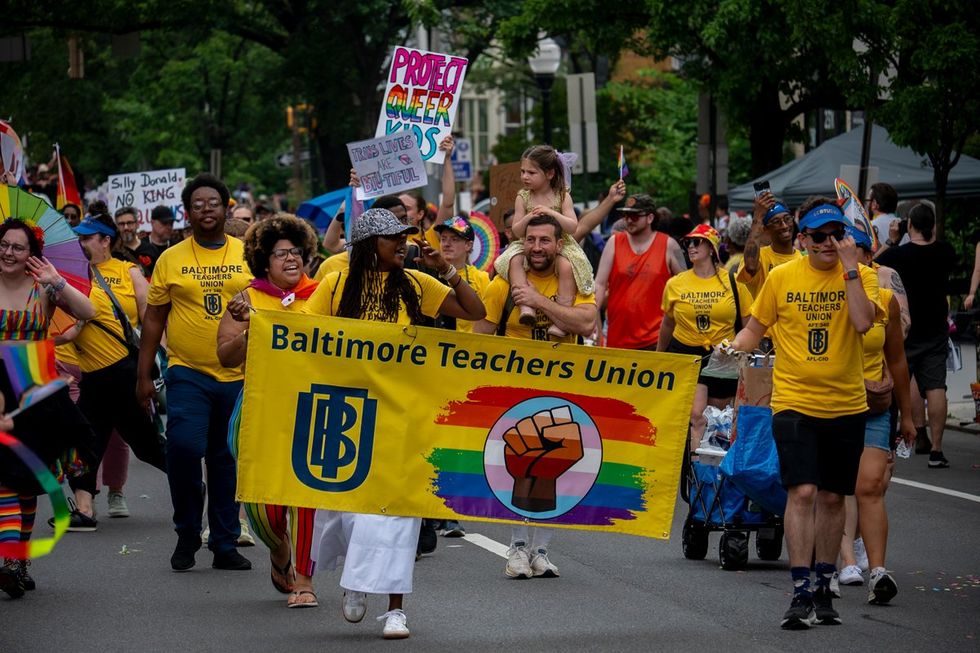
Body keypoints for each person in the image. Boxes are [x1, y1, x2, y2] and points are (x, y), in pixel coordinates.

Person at [303, 207, 484, 639]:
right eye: (392, 237)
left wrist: (447, 271)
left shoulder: (417, 283)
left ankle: (396, 610)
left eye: (405, 236)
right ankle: (356, 580)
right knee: (352, 510)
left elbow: (473, 309)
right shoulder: (335, 285)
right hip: (350, 416)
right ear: (370, 245)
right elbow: (300, 334)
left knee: (401, 513)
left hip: (404, 413)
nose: (403, 243)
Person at [729, 198, 882, 629]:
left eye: (836, 234)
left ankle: (824, 583)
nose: (829, 242)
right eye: (819, 236)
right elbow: (754, 328)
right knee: (802, 492)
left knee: (833, 497)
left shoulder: (863, 276)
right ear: (804, 240)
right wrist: (729, 349)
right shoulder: (782, 277)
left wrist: (850, 269)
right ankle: (799, 591)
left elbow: (862, 323)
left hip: (846, 405)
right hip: (794, 403)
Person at [137, 172, 253, 572]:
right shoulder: (171, 258)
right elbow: (154, 318)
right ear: (187, 212)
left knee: (226, 458)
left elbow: (271, 305)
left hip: (239, 374)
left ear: (225, 209)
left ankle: (224, 542)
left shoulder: (247, 254)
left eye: (213, 203)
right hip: (187, 372)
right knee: (184, 448)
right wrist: (144, 375)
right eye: (197, 204)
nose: (206, 209)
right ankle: (187, 529)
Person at [474, 214, 598, 579]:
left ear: (559, 245)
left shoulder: (573, 277)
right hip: (514, 392)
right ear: (522, 243)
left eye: (545, 240)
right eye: (531, 240)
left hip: (562, 389)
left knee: (555, 468)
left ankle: (541, 552)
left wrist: (537, 301)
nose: (537, 247)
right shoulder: (502, 284)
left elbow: (587, 323)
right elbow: (478, 337)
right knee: (517, 467)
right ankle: (516, 548)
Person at [216, 213, 322, 608]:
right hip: (261, 406)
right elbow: (225, 357)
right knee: (262, 506)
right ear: (264, 261)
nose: (290, 258)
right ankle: (280, 549)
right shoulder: (247, 298)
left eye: (295, 251)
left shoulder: (322, 295)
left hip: (311, 407)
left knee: (307, 495)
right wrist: (251, 330)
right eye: (280, 253)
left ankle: (305, 582)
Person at [0, 215, 96, 597]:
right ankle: (11, 559)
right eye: (3, 245)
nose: (8, 252)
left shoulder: (42, 288)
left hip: (34, 396)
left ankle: (18, 561)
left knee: (25, 481)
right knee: (4, 478)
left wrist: (56, 281)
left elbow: (87, 312)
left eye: (17, 247)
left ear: (32, 253)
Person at [53, 213, 168, 531]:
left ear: (106, 240)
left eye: (87, 237)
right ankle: (85, 510)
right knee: (84, 442)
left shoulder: (127, 271)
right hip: (89, 375)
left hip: (120, 373)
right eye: (78, 237)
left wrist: (155, 362)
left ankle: (190, 484)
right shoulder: (73, 273)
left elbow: (150, 318)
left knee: (146, 446)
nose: (80, 242)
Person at [834, 225, 915, 604]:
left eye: (859, 250)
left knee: (869, 485)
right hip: (829, 402)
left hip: (873, 404)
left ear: (870, 256)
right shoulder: (824, 295)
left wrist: (908, 416)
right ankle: (843, 563)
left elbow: (897, 360)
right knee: (834, 487)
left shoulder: (885, 299)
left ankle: (878, 571)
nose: (851, 256)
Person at [875, 203, 954, 467]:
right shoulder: (945, 251)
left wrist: (892, 240)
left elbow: (871, 264)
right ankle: (937, 449)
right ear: (933, 225)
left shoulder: (898, 255)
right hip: (936, 329)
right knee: (936, 386)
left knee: (898, 383)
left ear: (909, 225)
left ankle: (890, 443)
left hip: (905, 330)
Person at [658, 224, 751, 444]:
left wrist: (742, 349)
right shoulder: (675, 284)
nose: (690, 247)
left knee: (722, 417)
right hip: (687, 354)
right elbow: (668, 323)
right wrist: (660, 356)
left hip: (724, 355)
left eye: (697, 242)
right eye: (687, 243)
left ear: (711, 248)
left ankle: (718, 462)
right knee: (696, 416)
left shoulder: (733, 282)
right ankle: (695, 463)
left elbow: (749, 324)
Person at [494, 145, 592, 338]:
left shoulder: (562, 195)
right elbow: (517, 231)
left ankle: (561, 321)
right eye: (522, 171)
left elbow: (573, 226)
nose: (525, 176)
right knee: (515, 260)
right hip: (527, 241)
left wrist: (551, 213)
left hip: (560, 243)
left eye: (531, 172)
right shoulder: (523, 197)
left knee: (565, 266)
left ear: (549, 173)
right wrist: (528, 217)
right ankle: (525, 305)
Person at [594, 193, 686, 350]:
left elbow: (686, 285)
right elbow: (599, 284)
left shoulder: (669, 245)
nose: (629, 220)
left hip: (656, 340)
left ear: (650, 218)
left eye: (635, 216)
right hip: (618, 338)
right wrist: (594, 320)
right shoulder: (614, 243)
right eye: (626, 216)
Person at [737, 192, 801, 299]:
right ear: (766, 229)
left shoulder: (804, 258)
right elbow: (750, 266)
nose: (784, 226)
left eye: (787, 219)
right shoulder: (761, 257)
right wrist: (758, 216)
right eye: (776, 222)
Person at [867, 183, 902, 248]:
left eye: (867, 200)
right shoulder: (904, 226)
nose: (867, 204)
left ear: (874, 204)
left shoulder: (868, 227)